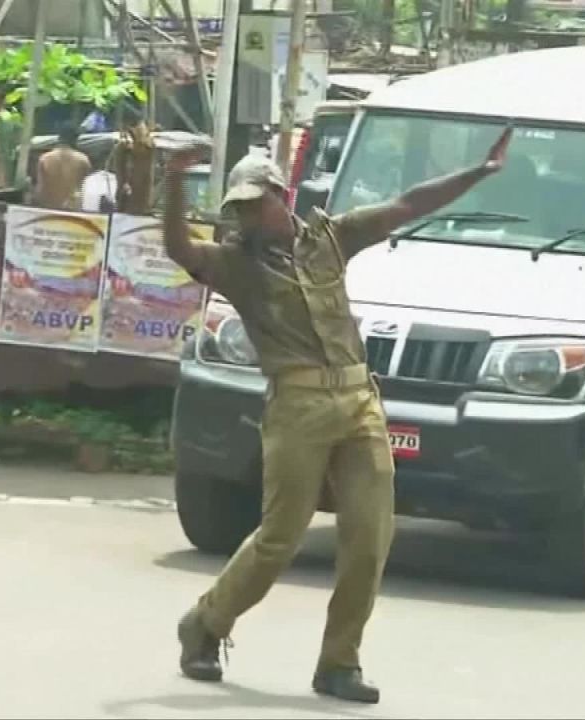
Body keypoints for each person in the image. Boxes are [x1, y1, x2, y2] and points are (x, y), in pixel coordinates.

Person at [162, 127, 512, 704]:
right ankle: (204, 624)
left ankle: (338, 662)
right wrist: (174, 181)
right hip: (297, 407)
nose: (249, 217)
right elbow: (179, 248)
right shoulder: (235, 265)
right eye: (240, 210)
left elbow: (407, 205)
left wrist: (478, 171)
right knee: (280, 536)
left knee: (370, 537)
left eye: (257, 203)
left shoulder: (331, 238)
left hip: (357, 400)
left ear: (283, 196)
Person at [33, 125, 91, 210]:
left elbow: (39, 190)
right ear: (75, 139)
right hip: (72, 212)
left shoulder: (45, 158)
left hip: (48, 210)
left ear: (59, 138)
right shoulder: (82, 160)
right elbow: (85, 190)